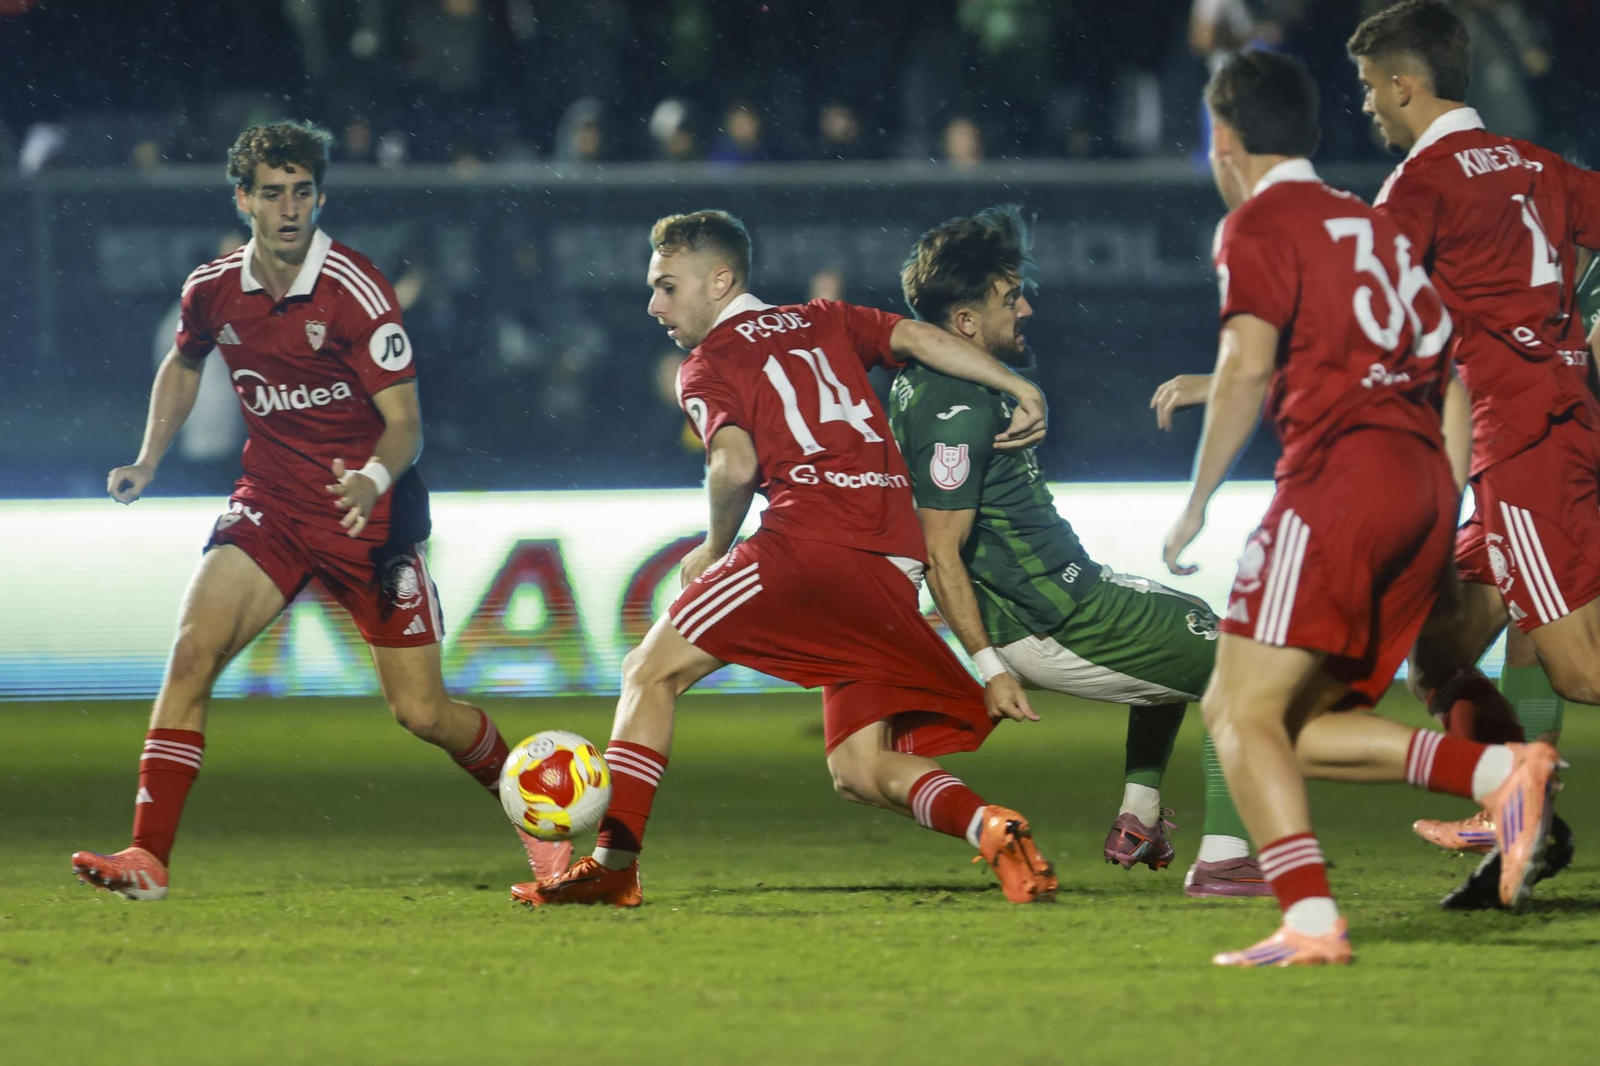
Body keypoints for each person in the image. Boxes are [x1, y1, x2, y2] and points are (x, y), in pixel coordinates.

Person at [511, 210, 1057, 908]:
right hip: (893, 561)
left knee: (647, 673)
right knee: (859, 769)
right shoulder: (823, 318)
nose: (654, 305)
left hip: (807, 545)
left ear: (721, 279)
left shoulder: (707, 364)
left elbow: (734, 466)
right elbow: (920, 337)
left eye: (667, 287)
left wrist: (713, 547)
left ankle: (614, 863)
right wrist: (1019, 386)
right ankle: (991, 826)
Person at [71, 121, 553, 900]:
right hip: (271, 507)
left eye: (302, 192)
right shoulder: (213, 288)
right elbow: (184, 360)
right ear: (243, 200)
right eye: (272, 193)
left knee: (423, 712)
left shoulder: (356, 290)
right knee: (192, 653)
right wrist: (149, 455)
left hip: (371, 522)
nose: (289, 208)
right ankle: (148, 858)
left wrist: (368, 478)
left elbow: (407, 425)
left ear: (320, 196)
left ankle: (541, 820)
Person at [1163, 50, 1562, 966]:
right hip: (1420, 482)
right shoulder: (1372, 224)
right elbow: (1450, 370)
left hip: (1338, 482)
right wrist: (1439, 493)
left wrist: (1196, 502)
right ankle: (1500, 772)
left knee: (1235, 708)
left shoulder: (1261, 223)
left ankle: (1308, 920)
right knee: (1297, 727)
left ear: (1224, 139)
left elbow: (1247, 367)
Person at [888, 205, 1267, 897]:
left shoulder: (941, 387)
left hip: (1074, 594)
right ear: (965, 323)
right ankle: (1226, 857)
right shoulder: (958, 406)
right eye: (1009, 299)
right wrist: (989, 666)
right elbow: (943, 552)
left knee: (1193, 633)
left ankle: (1140, 817)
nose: (1026, 308)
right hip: (1060, 617)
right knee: (1256, 669)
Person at [1345, 0, 1600, 853]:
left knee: (1580, 670)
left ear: (1404, 84)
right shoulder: (1540, 165)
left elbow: (1367, 315)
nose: (1367, 104)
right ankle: (1513, 807)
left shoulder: (1420, 184)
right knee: (1436, 645)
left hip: (1520, 444)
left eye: (1370, 86)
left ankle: (1515, 804)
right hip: (1545, 434)